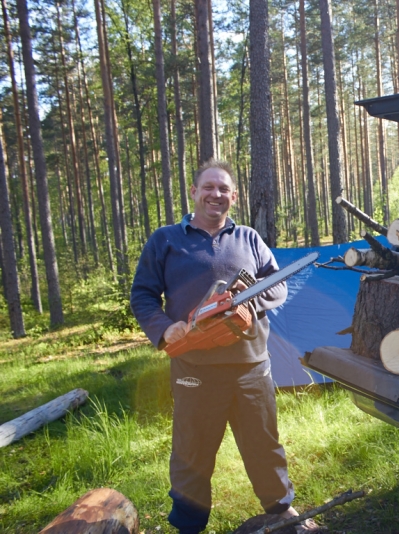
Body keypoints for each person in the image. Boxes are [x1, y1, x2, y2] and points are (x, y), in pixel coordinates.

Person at [130, 159, 317, 533]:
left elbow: (277, 284)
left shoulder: (248, 237)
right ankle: (189, 524)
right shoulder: (166, 239)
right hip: (194, 368)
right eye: (209, 187)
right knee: (192, 451)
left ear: (233, 196)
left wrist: (246, 303)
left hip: (251, 365)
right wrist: (166, 329)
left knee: (264, 444)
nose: (216, 195)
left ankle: (282, 511)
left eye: (223, 189)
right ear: (195, 192)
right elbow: (142, 295)